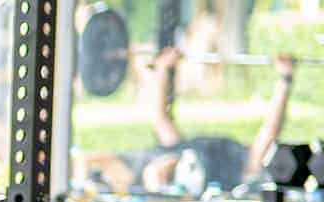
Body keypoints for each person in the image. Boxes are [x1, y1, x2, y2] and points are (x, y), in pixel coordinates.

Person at [81, 50, 296, 193]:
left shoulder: (244, 168)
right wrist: (164, 69)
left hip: (152, 185)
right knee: (86, 162)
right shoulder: (182, 151)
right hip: (152, 178)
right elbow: (160, 119)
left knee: (101, 167)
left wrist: (285, 79)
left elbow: (270, 131)